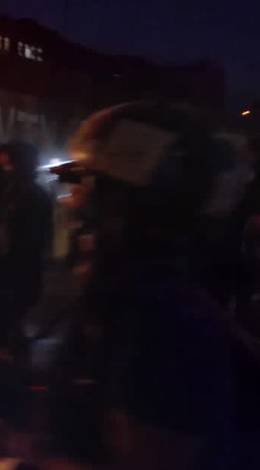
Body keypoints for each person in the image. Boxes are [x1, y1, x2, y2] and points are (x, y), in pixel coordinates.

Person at [41, 102, 260, 470]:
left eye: (88, 186)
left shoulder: (156, 313)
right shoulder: (152, 293)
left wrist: (12, 447)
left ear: (126, 200)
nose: (75, 203)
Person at [0, 141, 53, 352]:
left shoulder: (29, 196)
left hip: (16, 269)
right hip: (16, 269)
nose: (5, 172)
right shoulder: (21, 194)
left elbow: (30, 238)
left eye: (8, 166)